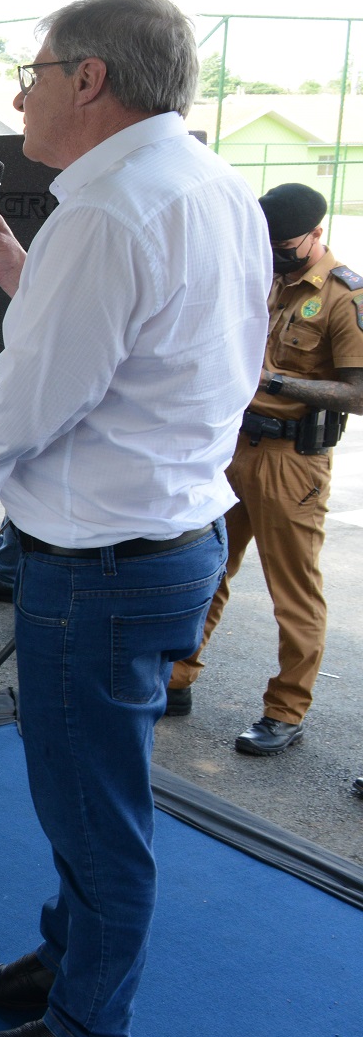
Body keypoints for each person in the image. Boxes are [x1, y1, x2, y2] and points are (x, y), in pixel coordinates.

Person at [0, 0, 267, 1037]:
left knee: (93, 811)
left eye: (34, 70)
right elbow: (146, 339)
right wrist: (17, 270)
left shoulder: (103, 208)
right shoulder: (205, 184)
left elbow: (32, 406)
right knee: (87, 793)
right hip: (168, 536)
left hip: (99, 560)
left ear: (88, 79)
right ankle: (65, 956)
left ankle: (81, 1028)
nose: (20, 92)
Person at [166, 182, 363, 755]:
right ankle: (177, 678)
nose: (275, 251)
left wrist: (274, 381)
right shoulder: (264, 276)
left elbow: (358, 392)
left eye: (285, 244)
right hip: (235, 447)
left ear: (317, 235)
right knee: (207, 568)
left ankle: (285, 711)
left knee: (292, 590)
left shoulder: (343, 297)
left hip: (293, 462)